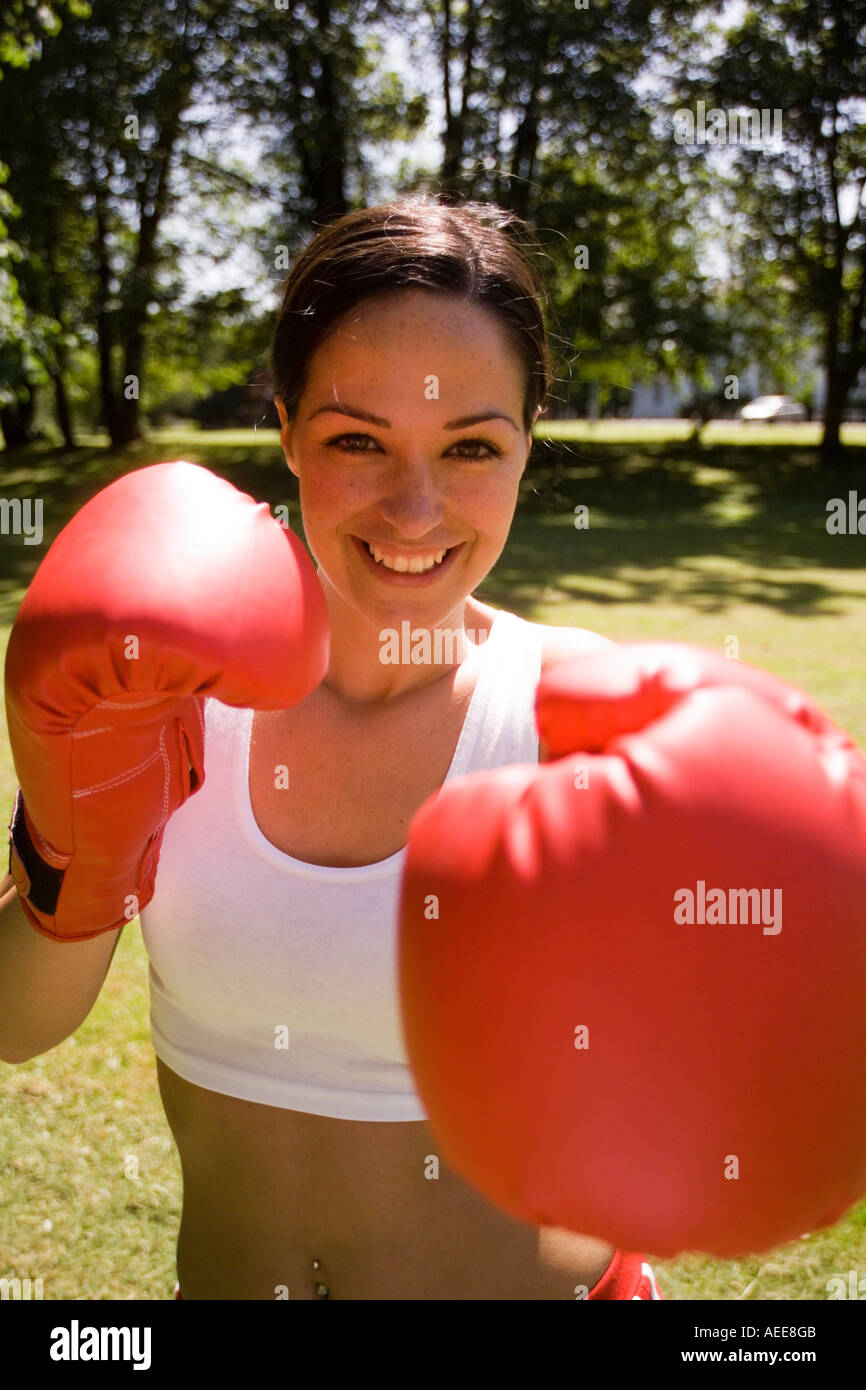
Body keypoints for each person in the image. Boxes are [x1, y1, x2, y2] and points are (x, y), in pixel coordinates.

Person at [0, 197, 661, 1300]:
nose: (413, 509)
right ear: (287, 429)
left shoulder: (580, 715)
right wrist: (79, 848)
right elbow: (18, 1026)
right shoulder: (167, 687)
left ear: (526, 441)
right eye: (357, 439)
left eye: (470, 447)